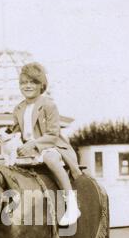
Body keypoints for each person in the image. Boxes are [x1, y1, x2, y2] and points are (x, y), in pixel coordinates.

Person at [8, 62, 81, 226]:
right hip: (29, 149)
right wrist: (5, 135)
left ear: (41, 85)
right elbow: (15, 130)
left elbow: (53, 134)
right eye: (24, 82)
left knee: (50, 158)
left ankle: (72, 204)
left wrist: (34, 144)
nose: (27, 86)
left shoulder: (48, 104)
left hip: (51, 146)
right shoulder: (18, 108)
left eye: (32, 82)